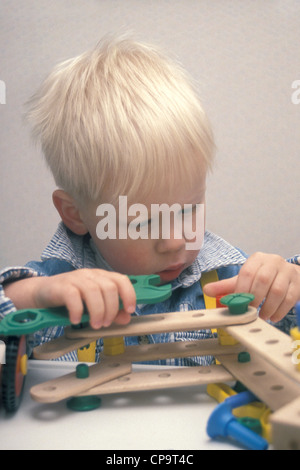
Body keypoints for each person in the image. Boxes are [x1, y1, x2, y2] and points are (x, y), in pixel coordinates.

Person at [1, 35, 299, 364]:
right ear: (76, 213)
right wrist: (34, 297)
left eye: (188, 210)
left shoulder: (228, 276)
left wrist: (287, 284)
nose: (174, 241)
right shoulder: (55, 285)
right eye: (143, 222)